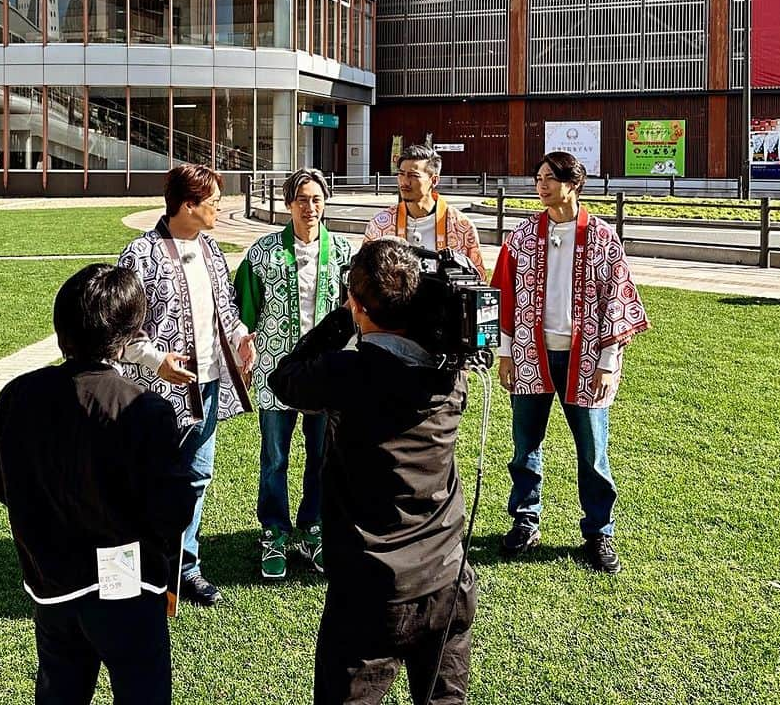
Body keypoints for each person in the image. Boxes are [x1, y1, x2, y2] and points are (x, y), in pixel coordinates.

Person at [271, 238, 476, 705]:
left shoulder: (349, 373)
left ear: (359, 304)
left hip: (372, 594)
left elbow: (285, 379)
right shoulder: (453, 371)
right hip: (447, 580)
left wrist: (346, 316)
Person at [0, 264, 194, 705]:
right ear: (129, 335)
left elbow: (0, 483)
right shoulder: (144, 409)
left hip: (51, 579)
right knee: (142, 690)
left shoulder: (16, 396)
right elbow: (173, 511)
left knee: (60, 690)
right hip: (127, 586)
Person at [490, 151, 649, 574]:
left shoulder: (601, 237)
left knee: (593, 451)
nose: (540, 185)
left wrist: (609, 360)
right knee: (525, 447)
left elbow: (617, 297)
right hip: (529, 353)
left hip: (587, 358)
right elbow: (506, 295)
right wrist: (505, 352)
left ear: (572, 183)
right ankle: (526, 520)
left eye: (548, 178)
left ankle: (599, 531)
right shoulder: (522, 237)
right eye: (537, 177)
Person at [117, 164, 256, 607]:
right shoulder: (139, 255)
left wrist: (239, 340)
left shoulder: (212, 248)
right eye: (213, 201)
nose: (220, 207)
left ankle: (184, 568)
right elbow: (122, 328)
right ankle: (140, 568)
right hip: (155, 395)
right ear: (188, 205)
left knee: (196, 478)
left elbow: (227, 310)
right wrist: (157, 362)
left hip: (208, 385)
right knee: (149, 480)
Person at [234, 168, 353, 580]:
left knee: (323, 457)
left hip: (325, 372)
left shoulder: (342, 252)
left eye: (317, 199)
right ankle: (274, 530)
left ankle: (314, 527)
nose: (310, 207)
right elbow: (242, 312)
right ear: (288, 205)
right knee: (275, 457)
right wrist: (244, 344)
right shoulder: (263, 252)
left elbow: (354, 310)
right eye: (302, 199)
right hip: (276, 371)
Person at [365, 143, 486, 280]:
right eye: (401, 174)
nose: (404, 182)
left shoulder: (461, 226)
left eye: (413, 175)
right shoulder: (380, 224)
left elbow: (478, 280)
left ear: (434, 180)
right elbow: (362, 278)